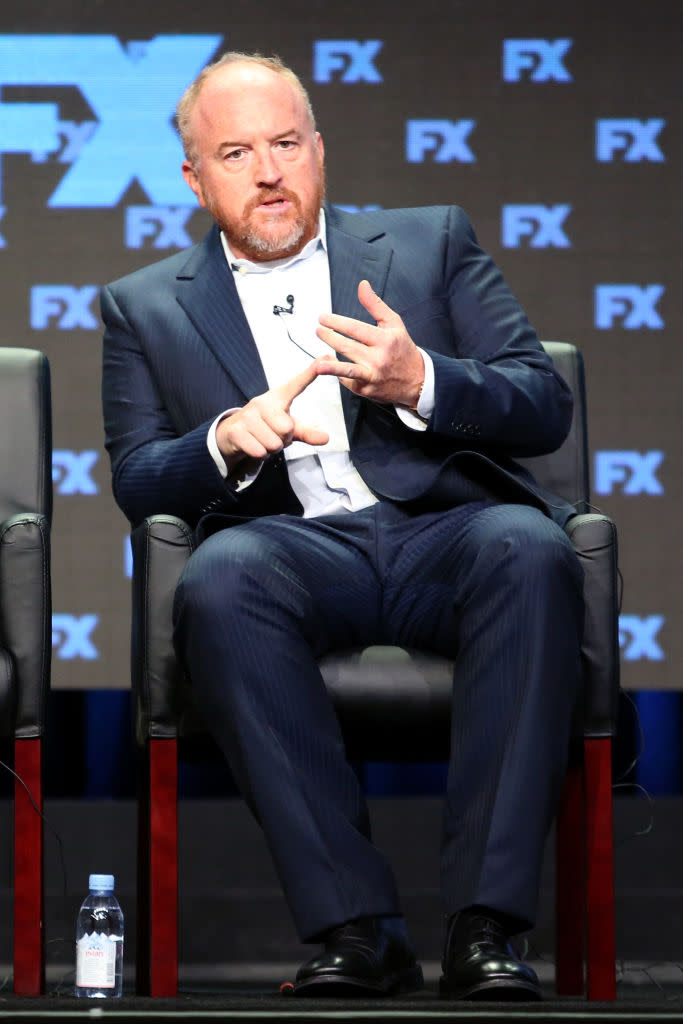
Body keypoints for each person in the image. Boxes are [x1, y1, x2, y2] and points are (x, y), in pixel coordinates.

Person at [101, 51, 584, 1001]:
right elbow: (136, 478)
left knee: (528, 549)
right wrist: (225, 439)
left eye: (286, 144)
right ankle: (356, 930)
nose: (269, 172)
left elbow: (541, 403)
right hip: (287, 545)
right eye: (237, 153)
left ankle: (486, 928)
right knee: (218, 579)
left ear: (320, 151)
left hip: (443, 531)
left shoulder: (430, 242)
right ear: (195, 179)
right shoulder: (144, 305)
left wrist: (422, 382)